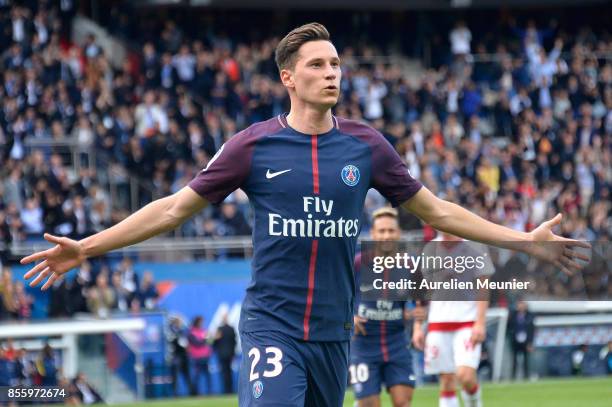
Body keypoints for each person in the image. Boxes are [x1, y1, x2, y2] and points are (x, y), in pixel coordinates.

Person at [21, 22, 588, 407]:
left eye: (336, 62)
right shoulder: (252, 146)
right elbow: (172, 209)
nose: (332, 71)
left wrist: (522, 240)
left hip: (334, 338)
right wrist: (88, 246)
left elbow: (436, 209)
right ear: (289, 78)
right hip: (274, 326)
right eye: (318, 64)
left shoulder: (367, 147)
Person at [413, 232, 494, 407]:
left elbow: (483, 287)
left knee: (465, 376)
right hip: (438, 324)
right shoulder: (430, 249)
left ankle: (475, 403)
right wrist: (418, 326)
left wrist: (480, 322)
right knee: (447, 380)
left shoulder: (475, 247)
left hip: (467, 323)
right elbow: (423, 290)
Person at [351, 207, 418, 407]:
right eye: (381, 231)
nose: (386, 235)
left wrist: (418, 327)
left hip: (397, 342)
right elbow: (337, 296)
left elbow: (422, 302)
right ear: (373, 234)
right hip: (363, 345)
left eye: (390, 230)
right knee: (370, 404)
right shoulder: (357, 264)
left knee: (402, 402)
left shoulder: (410, 266)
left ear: (398, 233)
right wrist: (349, 318)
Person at [508, 300, 535, 380]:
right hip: (515, 340)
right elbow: (509, 327)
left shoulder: (529, 316)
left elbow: (531, 330)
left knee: (526, 360)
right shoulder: (513, 315)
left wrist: (530, 342)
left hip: (525, 340)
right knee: (514, 359)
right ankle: (513, 377)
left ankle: (526, 376)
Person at [214, 312, 238, 394]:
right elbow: (234, 342)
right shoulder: (231, 329)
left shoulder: (220, 329)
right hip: (229, 354)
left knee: (225, 372)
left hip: (222, 354)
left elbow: (215, 343)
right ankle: (229, 390)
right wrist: (233, 353)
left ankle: (227, 390)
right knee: (228, 372)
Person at [188, 316, 212, 395]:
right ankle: (195, 393)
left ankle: (209, 392)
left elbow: (208, 342)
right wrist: (205, 339)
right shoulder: (192, 332)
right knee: (196, 376)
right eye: (201, 322)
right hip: (197, 357)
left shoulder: (203, 331)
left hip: (205, 356)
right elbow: (197, 343)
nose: (202, 323)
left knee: (207, 375)